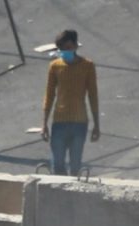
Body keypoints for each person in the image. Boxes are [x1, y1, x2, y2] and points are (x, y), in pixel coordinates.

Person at [40, 31, 99, 176]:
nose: (65, 51)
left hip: (80, 123)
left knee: (75, 165)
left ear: (75, 45)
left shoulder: (87, 66)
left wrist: (97, 125)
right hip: (59, 121)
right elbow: (49, 95)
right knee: (58, 165)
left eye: (68, 47)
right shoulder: (55, 66)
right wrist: (44, 124)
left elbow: (93, 96)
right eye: (62, 49)